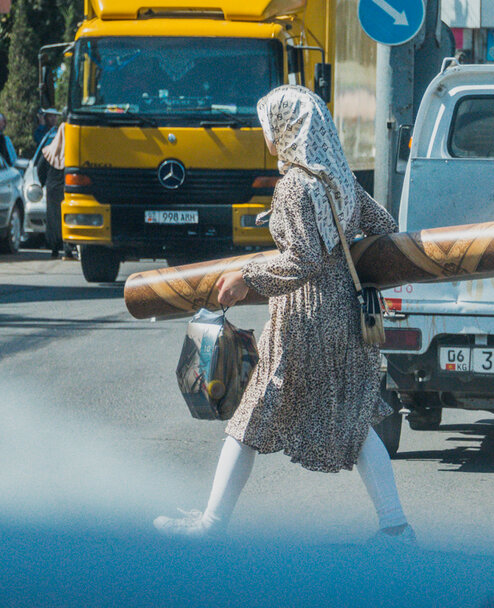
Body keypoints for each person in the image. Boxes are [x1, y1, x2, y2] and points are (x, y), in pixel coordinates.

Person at [153, 85, 413, 543]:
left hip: (304, 315)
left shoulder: (294, 184)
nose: (266, 137)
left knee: (249, 417)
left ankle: (211, 525)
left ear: (287, 129)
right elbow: (386, 228)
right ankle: (396, 527)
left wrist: (246, 277)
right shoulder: (339, 179)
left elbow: (302, 260)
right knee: (356, 419)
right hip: (344, 315)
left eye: (268, 128)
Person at [36, 119, 72, 259]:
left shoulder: (48, 151)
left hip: (52, 189)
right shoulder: (73, 153)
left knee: (53, 219)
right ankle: (68, 250)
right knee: (67, 219)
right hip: (67, 189)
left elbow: (40, 169)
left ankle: (54, 250)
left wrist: (44, 183)